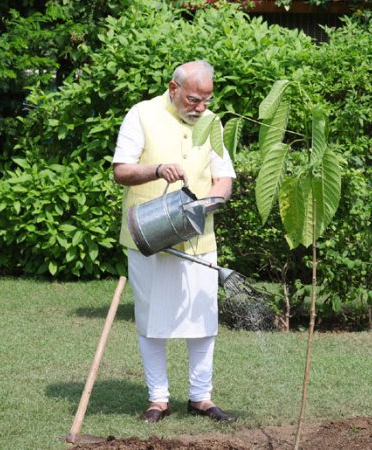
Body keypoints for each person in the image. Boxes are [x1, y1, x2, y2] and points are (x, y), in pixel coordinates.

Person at [112, 60, 237, 424]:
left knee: (203, 320)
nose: (201, 107)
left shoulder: (212, 123)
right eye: (194, 100)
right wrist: (156, 168)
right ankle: (158, 398)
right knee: (152, 320)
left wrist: (210, 202)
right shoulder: (142, 115)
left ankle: (201, 397)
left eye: (206, 100)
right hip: (149, 238)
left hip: (200, 238)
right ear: (173, 88)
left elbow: (224, 177)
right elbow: (121, 170)